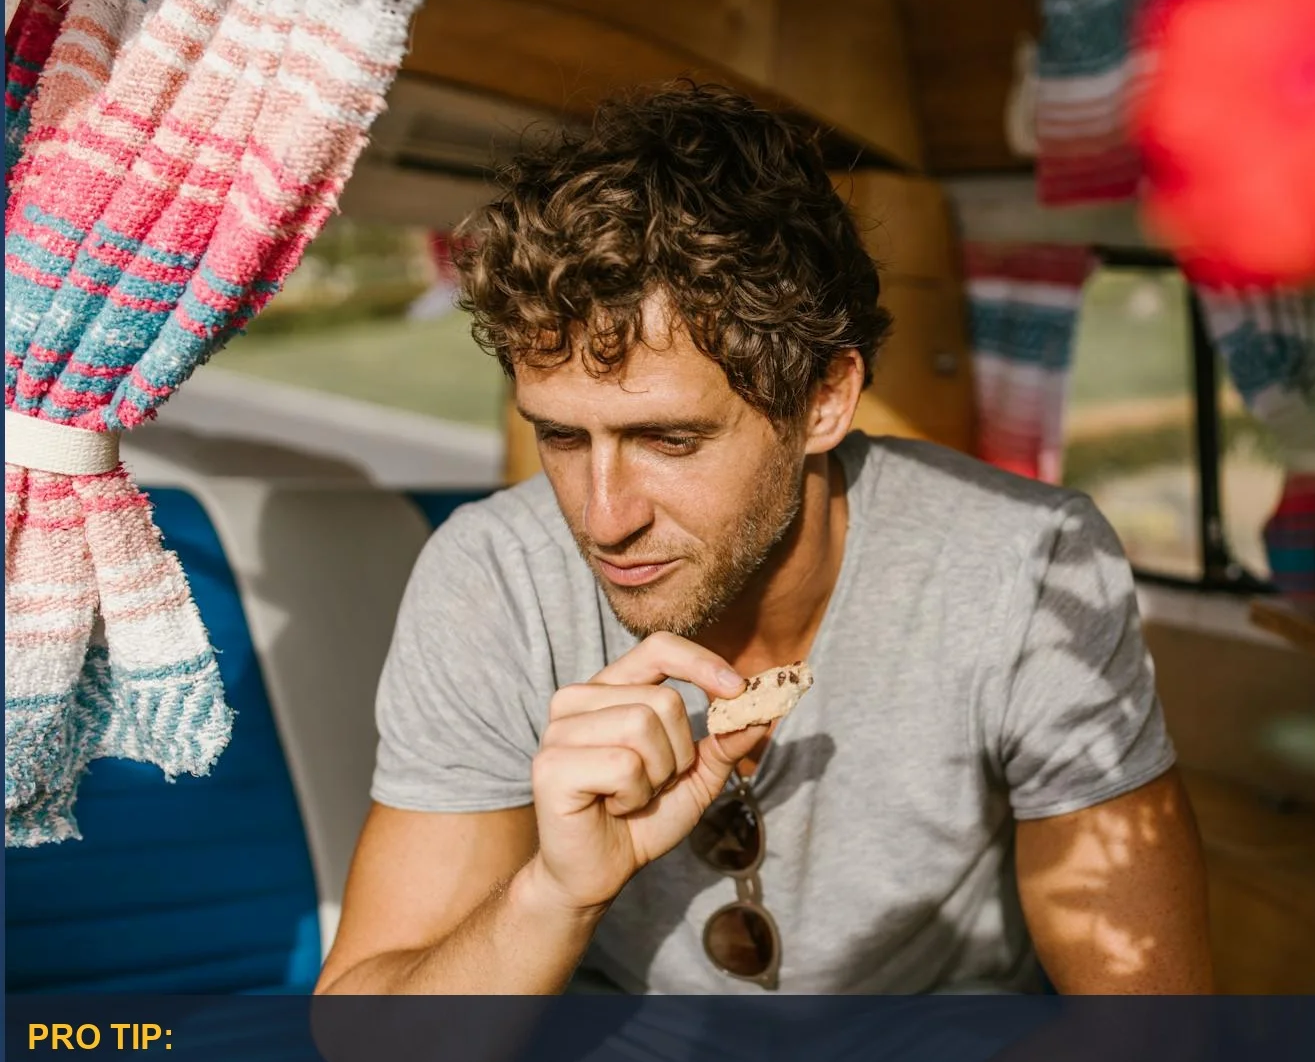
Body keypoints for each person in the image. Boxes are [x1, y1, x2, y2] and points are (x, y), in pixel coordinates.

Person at [317, 82, 1213, 1000]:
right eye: (560, 435)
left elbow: (1148, 1047)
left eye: (669, 440)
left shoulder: (1030, 570)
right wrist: (555, 893)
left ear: (823, 398)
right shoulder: (492, 579)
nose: (602, 515)